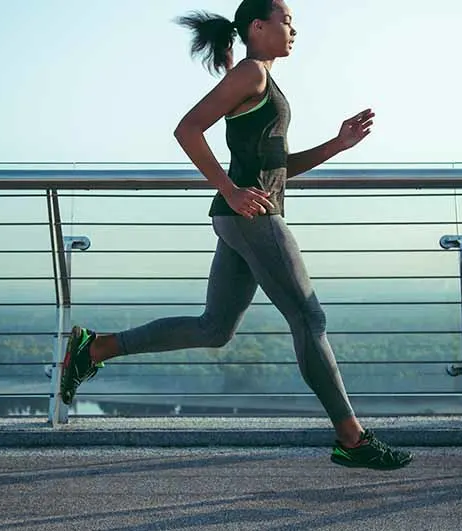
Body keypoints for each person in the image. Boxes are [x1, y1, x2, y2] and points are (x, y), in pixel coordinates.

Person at [60, 0, 414, 470]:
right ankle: (352, 439)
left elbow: (277, 169)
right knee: (309, 321)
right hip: (251, 218)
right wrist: (229, 190)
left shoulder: (260, 77)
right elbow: (187, 129)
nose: (294, 30)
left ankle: (96, 347)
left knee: (215, 328)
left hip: (242, 218)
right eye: (286, 21)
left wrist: (337, 144)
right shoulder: (251, 73)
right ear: (258, 27)